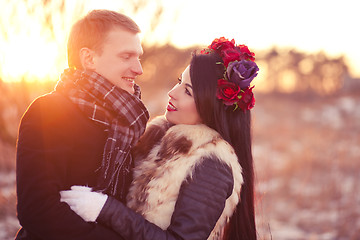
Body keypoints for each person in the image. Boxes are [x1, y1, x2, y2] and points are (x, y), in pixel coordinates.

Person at [61, 37, 259, 240]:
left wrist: (105, 209)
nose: (172, 93)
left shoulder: (211, 164)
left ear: (211, 108)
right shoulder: (155, 138)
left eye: (188, 91)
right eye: (179, 82)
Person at [15, 9, 149, 239]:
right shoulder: (49, 111)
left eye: (139, 56)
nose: (139, 69)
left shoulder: (131, 120)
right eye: (126, 56)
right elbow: (39, 211)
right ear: (89, 58)